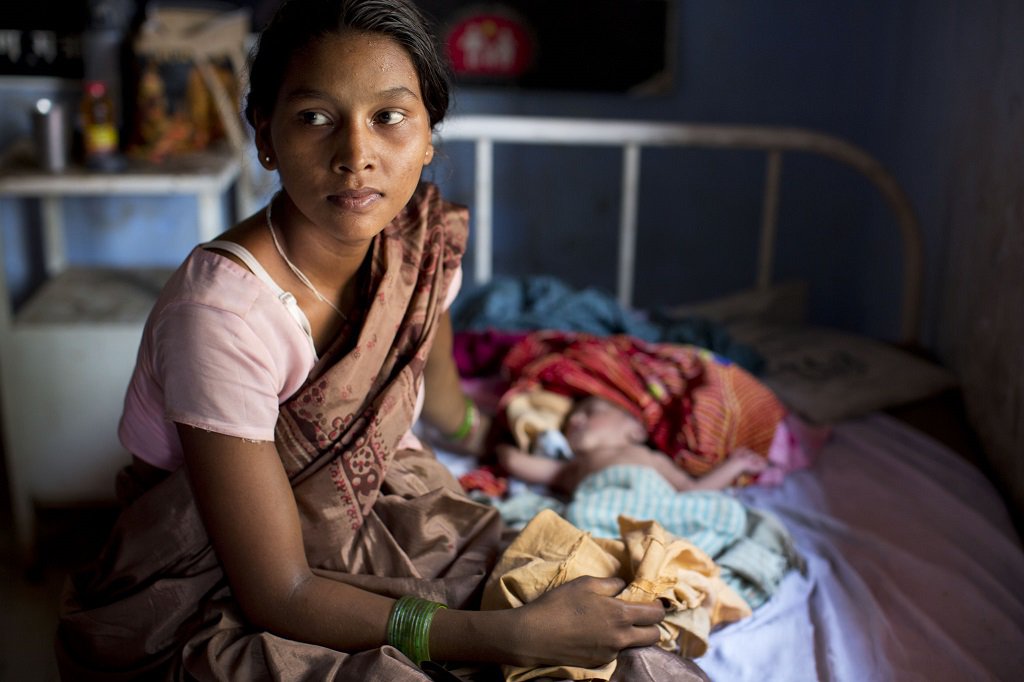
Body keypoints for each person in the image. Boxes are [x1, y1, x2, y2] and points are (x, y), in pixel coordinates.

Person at [56, 1, 715, 680]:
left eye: (389, 117)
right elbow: (279, 592)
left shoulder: (415, 248)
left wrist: (493, 432)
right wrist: (506, 636)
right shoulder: (221, 316)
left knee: (622, 637)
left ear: (429, 135)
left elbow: (439, 397)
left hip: (398, 515)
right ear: (265, 135)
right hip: (217, 572)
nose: (357, 156)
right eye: (315, 117)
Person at [497, 396, 770, 495]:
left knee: (732, 516)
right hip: (600, 522)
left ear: (636, 431)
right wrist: (497, 439)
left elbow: (693, 490)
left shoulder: (649, 459)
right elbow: (515, 462)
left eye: (592, 411)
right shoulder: (571, 467)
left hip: (653, 518)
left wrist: (735, 465)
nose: (576, 419)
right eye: (570, 419)